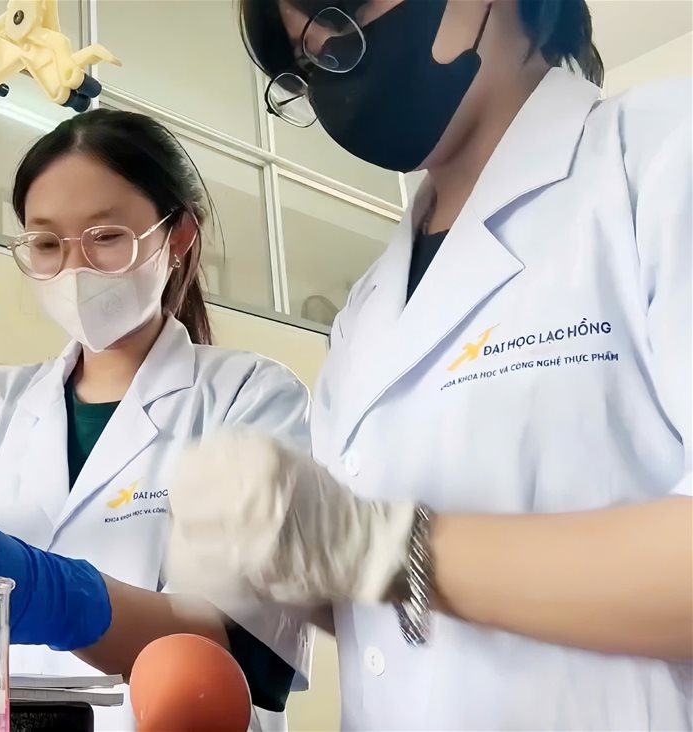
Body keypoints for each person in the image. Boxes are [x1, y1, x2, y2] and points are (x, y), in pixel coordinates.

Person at [166, 1, 692, 729]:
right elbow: (383, 610)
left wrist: (383, 549)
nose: (332, 70)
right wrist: (278, 554)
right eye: (306, 59)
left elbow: (386, 555)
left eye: (341, 14)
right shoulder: (367, 308)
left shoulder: (662, 158)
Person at [0, 109, 315, 731]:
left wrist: (60, 599)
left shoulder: (250, 398)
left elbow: (250, 649)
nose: (75, 269)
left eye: (106, 236)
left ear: (178, 237)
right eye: (46, 244)